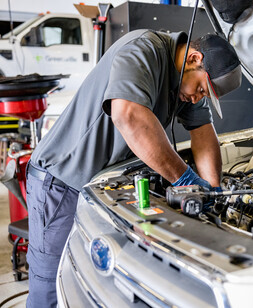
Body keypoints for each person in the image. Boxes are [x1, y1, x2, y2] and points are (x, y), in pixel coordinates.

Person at [25, 29, 241, 307]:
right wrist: (186, 180)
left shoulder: (185, 83)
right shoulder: (144, 49)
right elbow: (128, 115)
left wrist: (212, 193)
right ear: (194, 58)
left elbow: (202, 132)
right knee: (51, 287)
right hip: (62, 183)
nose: (199, 97)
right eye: (202, 89)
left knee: (91, 284)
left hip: (102, 188)